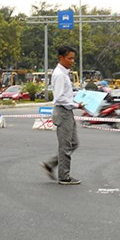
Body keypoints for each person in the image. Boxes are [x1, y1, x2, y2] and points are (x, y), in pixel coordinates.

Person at [41, 46, 83, 185]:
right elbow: (59, 98)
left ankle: (51, 164)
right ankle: (64, 176)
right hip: (63, 112)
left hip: (68, 112)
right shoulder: (59, 74)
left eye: (73, 58)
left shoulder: (65, 73)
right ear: (61, 58)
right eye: (69, 58)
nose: (72, 61)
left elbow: (66, 95)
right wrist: (77, 105)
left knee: (74, 143)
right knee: (65, 146)